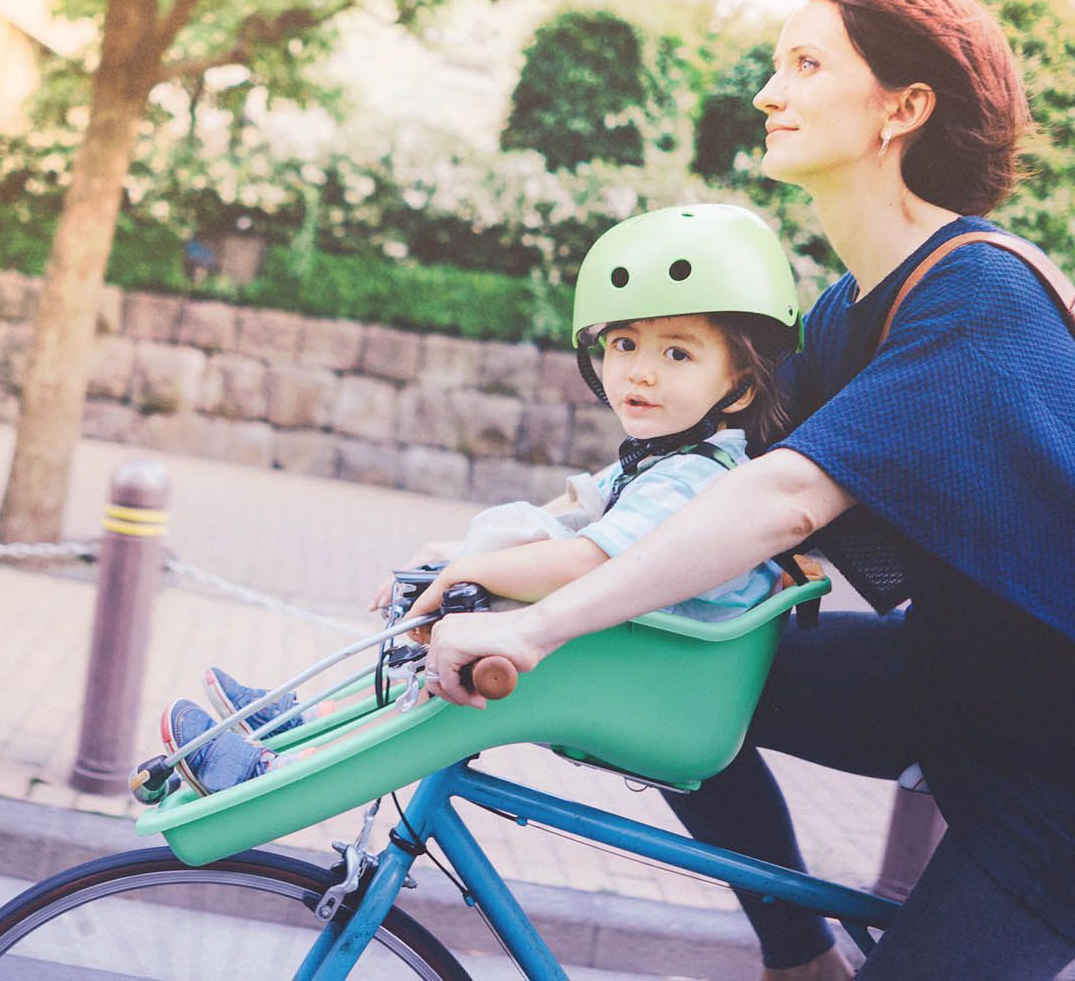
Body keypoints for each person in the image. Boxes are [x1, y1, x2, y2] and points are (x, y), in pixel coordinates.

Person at [419, 0, 1075, 981]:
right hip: (952, 685)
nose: (770, 93)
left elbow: (777, 502)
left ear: (902, 108)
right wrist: (500, 554)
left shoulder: (978, 297)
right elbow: (696, 493)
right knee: (646, 663)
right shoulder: (849, 310)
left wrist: (538, 624)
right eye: (777, 64)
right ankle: (799, 956)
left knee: (593, 641)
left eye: (806, 64)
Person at [161, 203, 803, 797]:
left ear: (740, 388)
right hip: (635, 655)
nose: (639, 371)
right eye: (625, 344)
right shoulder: (670, 458)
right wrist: (455, 552)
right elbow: (573, 511)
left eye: (677, 353)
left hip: (660, 682)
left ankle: (278, 773)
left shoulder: (695, 478)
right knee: (445, 625)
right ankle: (304, 721)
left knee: (452, 668)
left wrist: (473, 570)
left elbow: (592, 560)